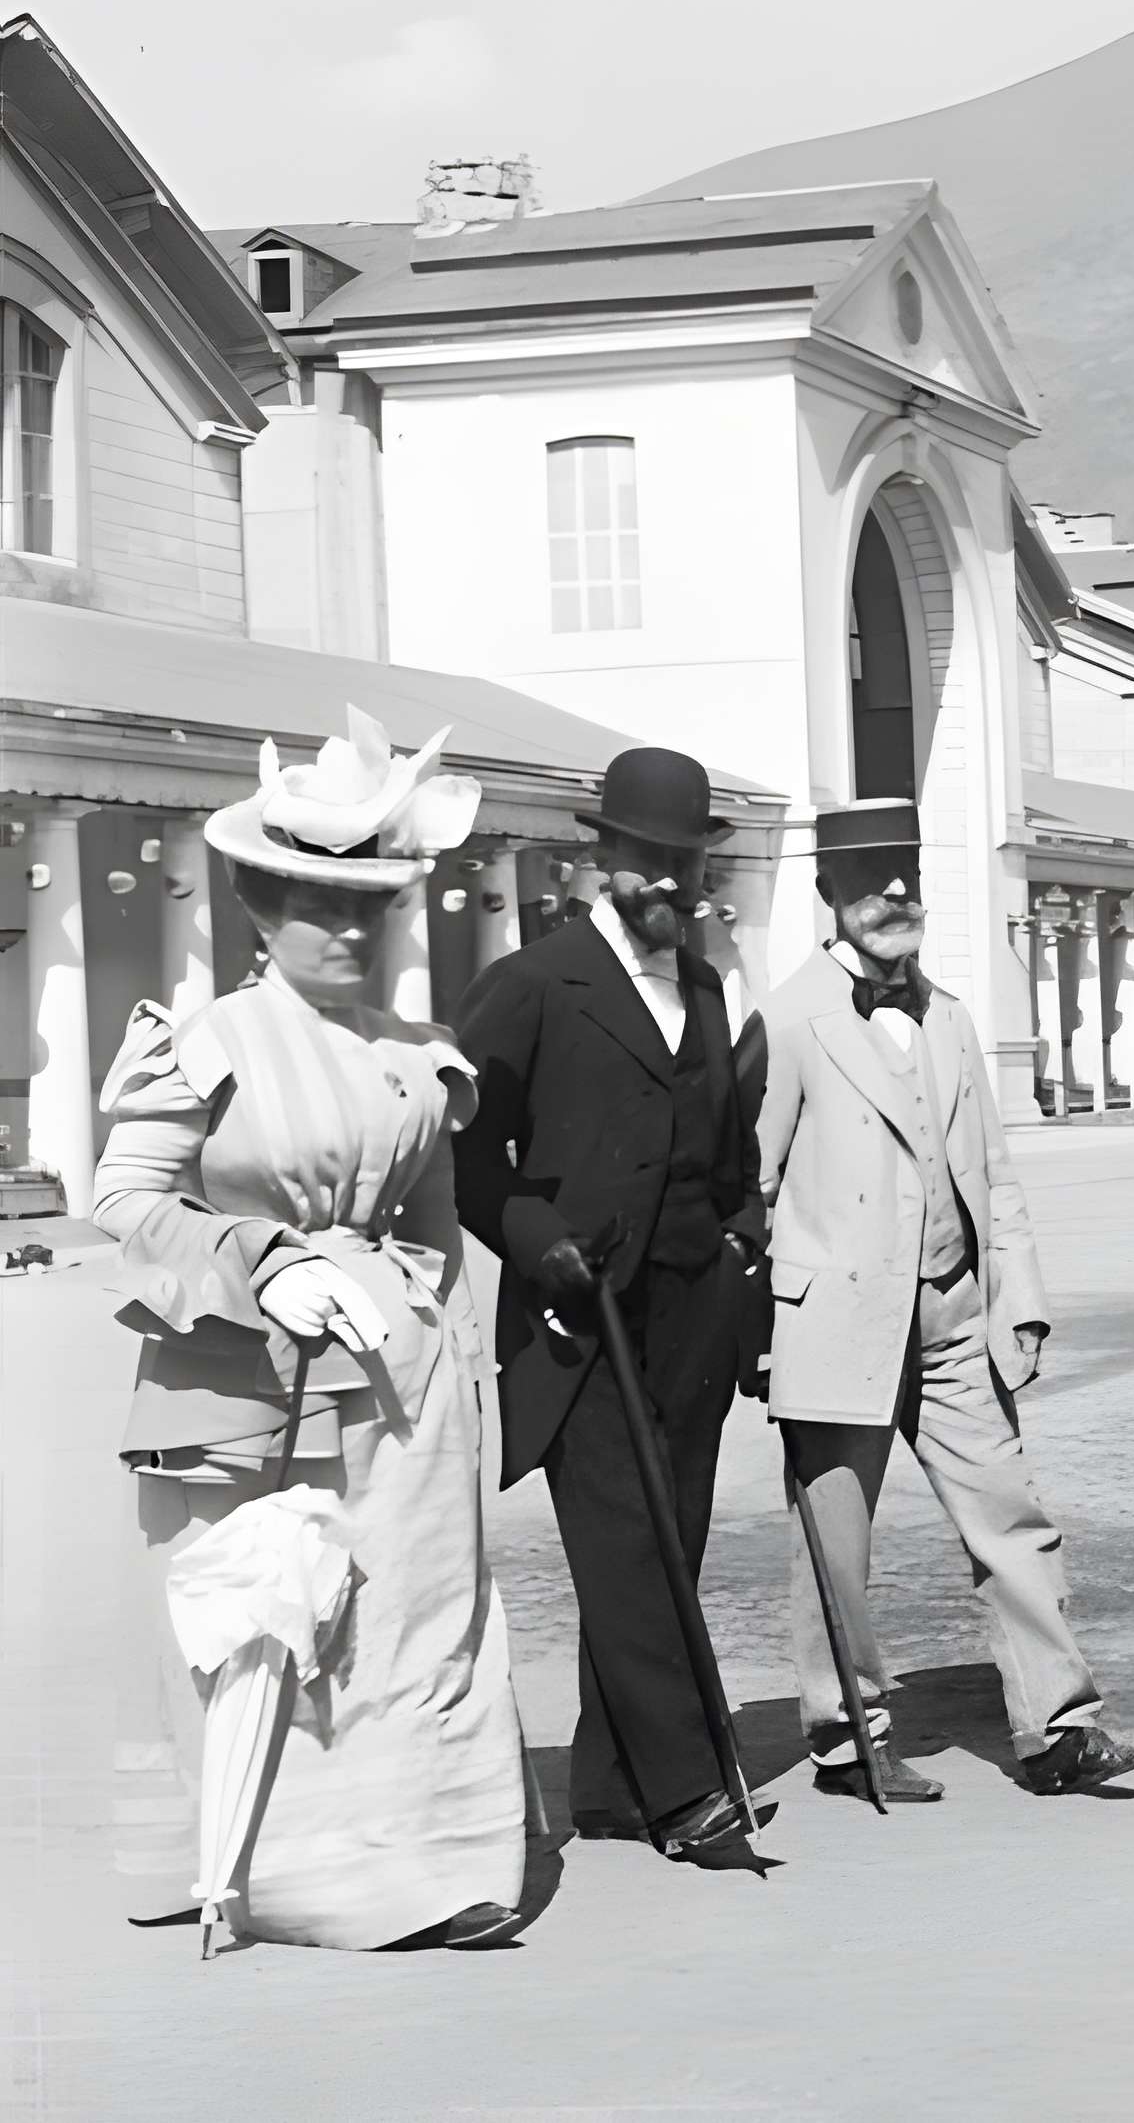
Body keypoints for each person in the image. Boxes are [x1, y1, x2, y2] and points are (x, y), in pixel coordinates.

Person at [95, 710, 525, 1949]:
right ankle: (253, 1864)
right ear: (255, 908)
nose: (347, 927)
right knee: (266, 1613)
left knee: (412, 1612)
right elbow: (123, 1202)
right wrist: (263, 1262)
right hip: (244, 1368)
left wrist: (423, 1318)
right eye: (314, 903)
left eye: (371, 905)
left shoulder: (423, 1056)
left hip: (402, 1389)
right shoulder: (206, 1041)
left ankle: (417, 1875)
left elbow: (439, 1224)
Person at [754, 801, 1134, 1800]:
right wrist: (761, 1332)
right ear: (828, 896)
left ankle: (1059, 1728)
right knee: (836, 1548)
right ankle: (850, 1740)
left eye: (907, 878)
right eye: (869, 880)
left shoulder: (949, 1015)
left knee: (1010, 1516)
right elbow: (747, 1188)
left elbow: (994, 1171)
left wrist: (1015, 1298)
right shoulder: (785, 1020)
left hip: (950, 1319)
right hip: (834, 1326)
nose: (894, 898)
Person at [454, 748, 769, 1862]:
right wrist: (539, 1246)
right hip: (576, 1318)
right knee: (622, 1543)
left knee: (670, 1538)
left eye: (684, 862)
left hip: (690, 1313)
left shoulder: (706, 986)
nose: (669, 883)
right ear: (601, 859)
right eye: (647, 861)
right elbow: (465, 1151)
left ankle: (611, 1784)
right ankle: (689, 1790)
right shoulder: (533, 984)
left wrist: (739, 1246)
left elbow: (728, 1150)